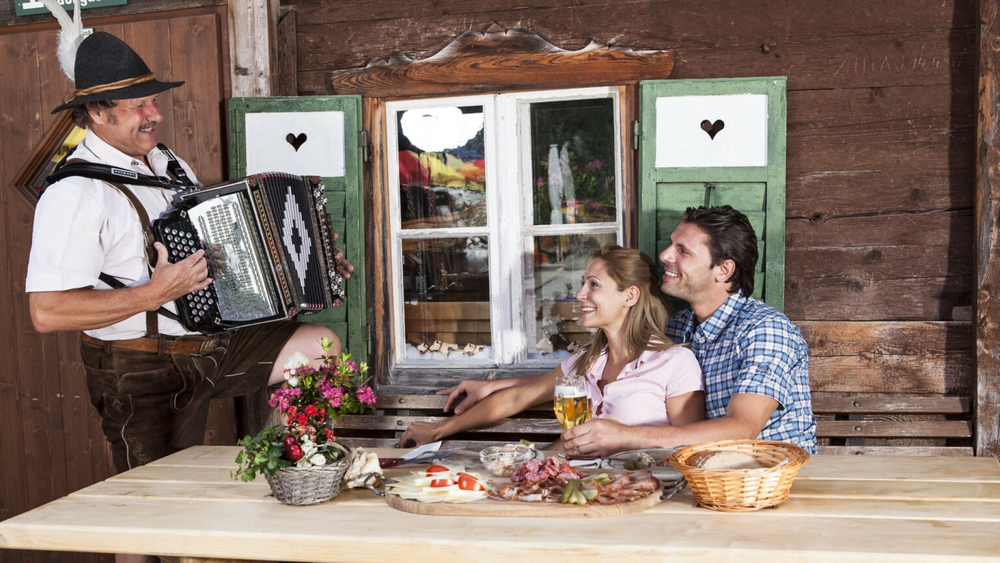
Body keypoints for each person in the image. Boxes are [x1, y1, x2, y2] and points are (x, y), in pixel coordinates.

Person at [25, 31, 354, 476]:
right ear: (96, 112)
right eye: (138, 104)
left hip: (210, 343)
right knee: (144, 502)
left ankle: (304, 470)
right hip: (140, 367)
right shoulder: (74, 194)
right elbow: (47, 312)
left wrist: (308, 261)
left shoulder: (166, 162)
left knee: (320, 344)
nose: (154, 113)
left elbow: (215, 246)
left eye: (153, 100)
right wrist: (155, 292)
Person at [441, 206, 817, 456]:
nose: (666, 256)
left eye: (682, 251)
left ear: (724, 270)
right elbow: (586, 367)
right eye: (671, 245)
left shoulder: (764, 331)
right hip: (714, 478)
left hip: (771, 481)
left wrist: (622, 436)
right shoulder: (682, 326)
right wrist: (496, 385)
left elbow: (742, 428)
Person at [398, 244, 705, 447]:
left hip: (639, 493)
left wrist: (626, 438)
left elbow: (690, 444)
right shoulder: (587, 360)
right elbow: (517, 397)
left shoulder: (674, 362)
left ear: (630, 296)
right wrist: (437, 431)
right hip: (578, 489)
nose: (580, 294)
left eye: (594, 285)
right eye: (583, 283)